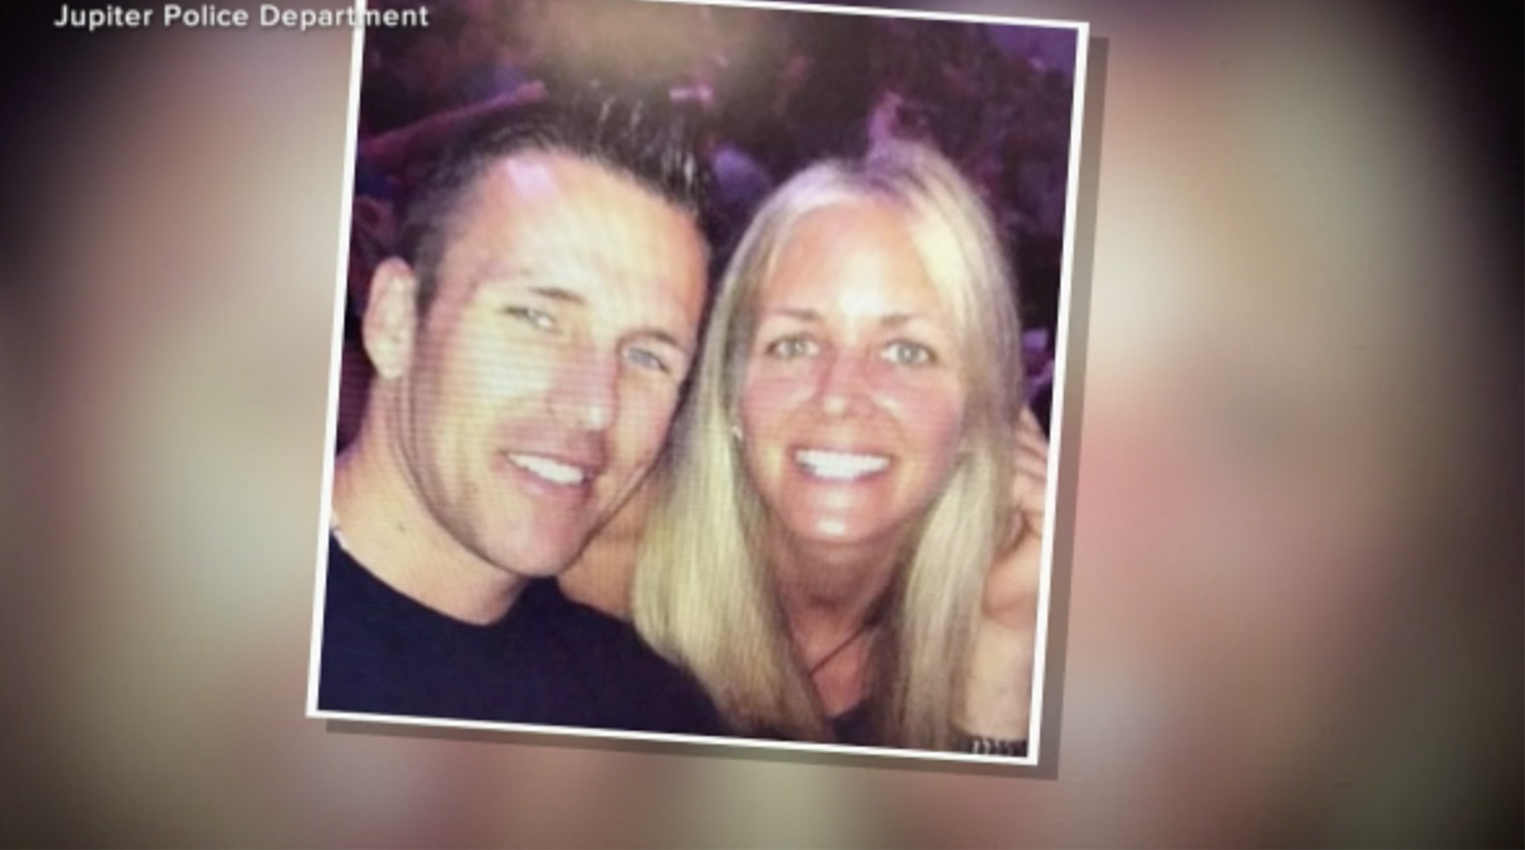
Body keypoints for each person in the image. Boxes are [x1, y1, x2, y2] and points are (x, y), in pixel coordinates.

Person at [316, 100, 724, 736]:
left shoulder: (647, 709)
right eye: (536, 318)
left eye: (648, 355)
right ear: (396, 320)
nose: (595, 406)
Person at [632, 139, 1047, 753]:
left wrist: (1006, 643)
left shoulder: (1064, 641)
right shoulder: (615, 593)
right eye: (795, 344)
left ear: (976, 416)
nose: (838, 396)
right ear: (730, 390)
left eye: (906, 351)